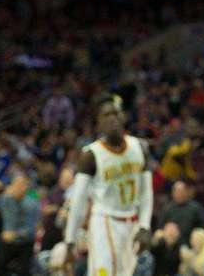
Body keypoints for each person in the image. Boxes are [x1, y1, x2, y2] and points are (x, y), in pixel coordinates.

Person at [64, 93, 154, 276]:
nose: (112, 118)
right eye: (106, 115)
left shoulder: (140, 147)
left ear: (123, 117)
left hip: (132, 221)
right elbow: (79, 200)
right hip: (104, 221)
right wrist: (70, 241)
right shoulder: (90, 155)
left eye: (115, 113)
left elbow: (146, 192)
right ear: (98, 124)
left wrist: (145, 226)